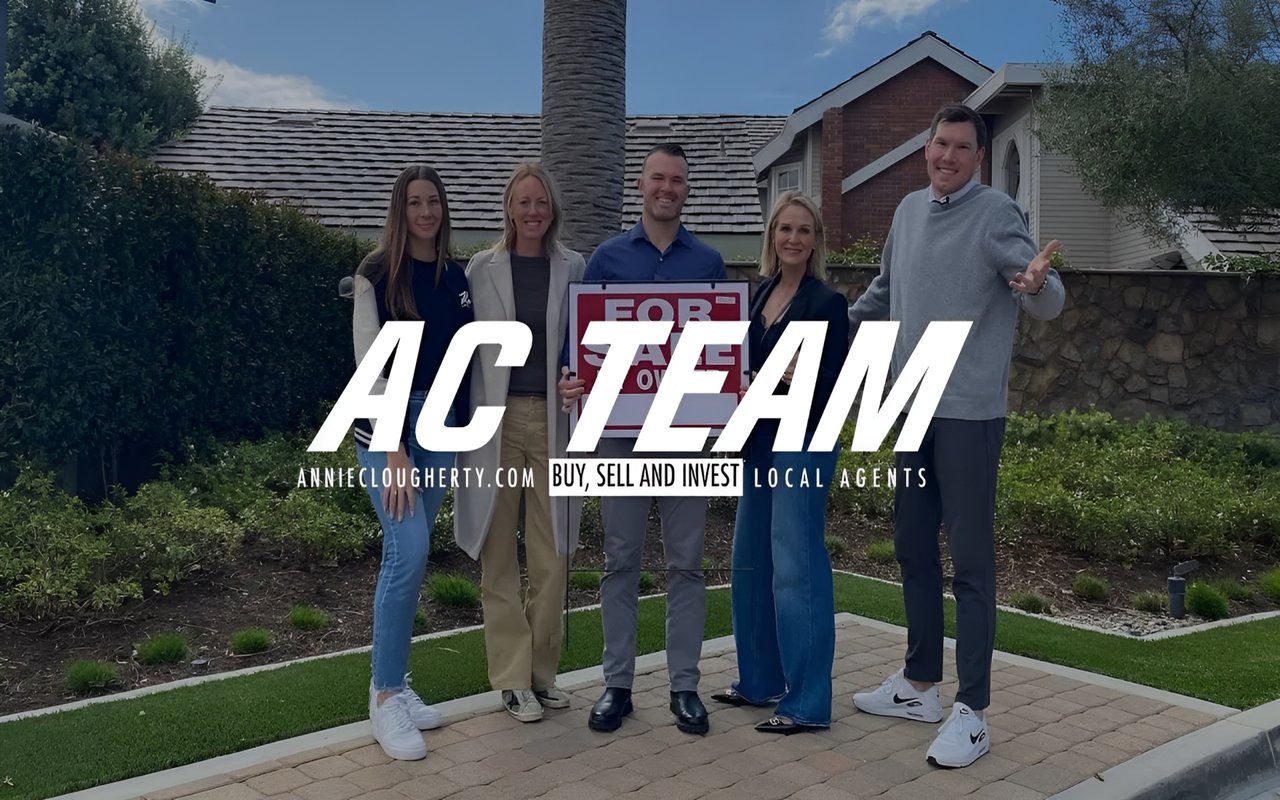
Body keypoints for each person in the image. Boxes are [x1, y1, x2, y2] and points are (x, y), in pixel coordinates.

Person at [847, 104, 1065, 768]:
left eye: (961, 147)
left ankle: (973, 711)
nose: (947, 156)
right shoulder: (908, 212)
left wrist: (1036, 286)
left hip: (968, 413)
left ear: (978, 156)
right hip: (911, 406)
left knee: (969, 561)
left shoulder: (996, 213)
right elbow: (884, 292)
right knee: (912, 546)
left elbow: (1046, 294)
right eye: (940, 143)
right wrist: (826, 326)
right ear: (926, 148)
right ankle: (919, 685)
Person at [558, 143, 726, 736]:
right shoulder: (606, 258)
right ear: (641, 184)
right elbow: (579, 342)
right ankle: (618, 686)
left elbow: (722, 344)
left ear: (687, 189)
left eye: (677, 180)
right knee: (620, 560)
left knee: (687, 563)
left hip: (685, 433)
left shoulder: (708, 261)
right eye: (658, 178)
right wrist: (570, 377)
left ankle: (685, 687)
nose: (667, 188)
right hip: (619, 432)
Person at [711, 192, 848, 734]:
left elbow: (832, 386)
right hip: (759, 439)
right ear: (772, 236)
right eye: (785, 229)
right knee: (749, 561)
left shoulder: (827, 303)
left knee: (796, 566)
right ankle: (759, 680)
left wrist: (791, 381)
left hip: (803, 440)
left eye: (804, 231)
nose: (793, 238)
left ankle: (807, 703)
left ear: (815, 242)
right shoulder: (759, 294)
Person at [350, 165, 474, 761]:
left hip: (440, 423)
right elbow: (370, 364)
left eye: (433, 202)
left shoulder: (456, 276)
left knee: (409, 555)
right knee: (409, 551)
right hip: (389, 430)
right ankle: (383, 697)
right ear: (400, 211)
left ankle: (396, 682)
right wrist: (394, 446)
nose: (425, 212)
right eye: (414, 203)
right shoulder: (375, 274)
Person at [455, 163, 586, 723]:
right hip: (497, 424)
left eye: (542, 202)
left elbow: (588, 343)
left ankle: (541, 674)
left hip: (555, 422)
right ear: (509, 207)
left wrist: (579, 380)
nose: (533, 211)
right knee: (499, 555)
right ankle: (511, 679)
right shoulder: (479, 270)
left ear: (553, 210)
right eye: (524, 202)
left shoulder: (574, 267)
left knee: (554, 551)